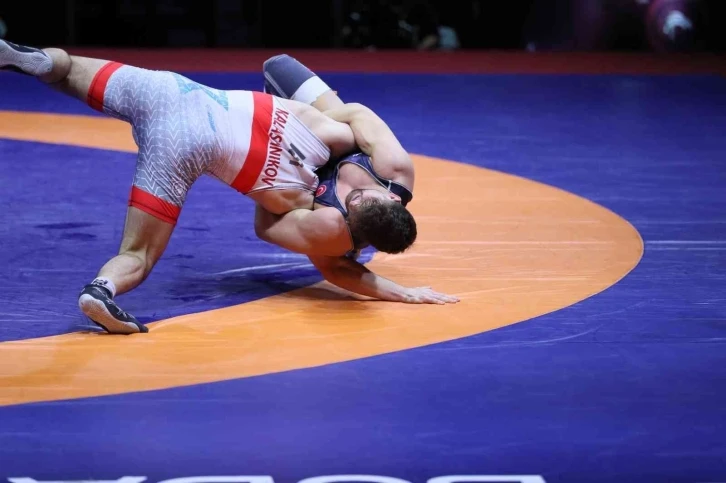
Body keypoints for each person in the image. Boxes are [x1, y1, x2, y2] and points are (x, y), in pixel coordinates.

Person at [0, 40, 459, 334]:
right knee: (138, 255)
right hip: (186, 149)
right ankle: (100, 290)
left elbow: (353, 114)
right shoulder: (341, 206)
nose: (355, 191)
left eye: (354, 200)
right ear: (391, 196)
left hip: (175, 92)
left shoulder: (338, 142)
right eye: (361, 193)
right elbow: (272, 231)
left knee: (66, 69)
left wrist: (301, 120)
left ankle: (35, 60)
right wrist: (267, 192)